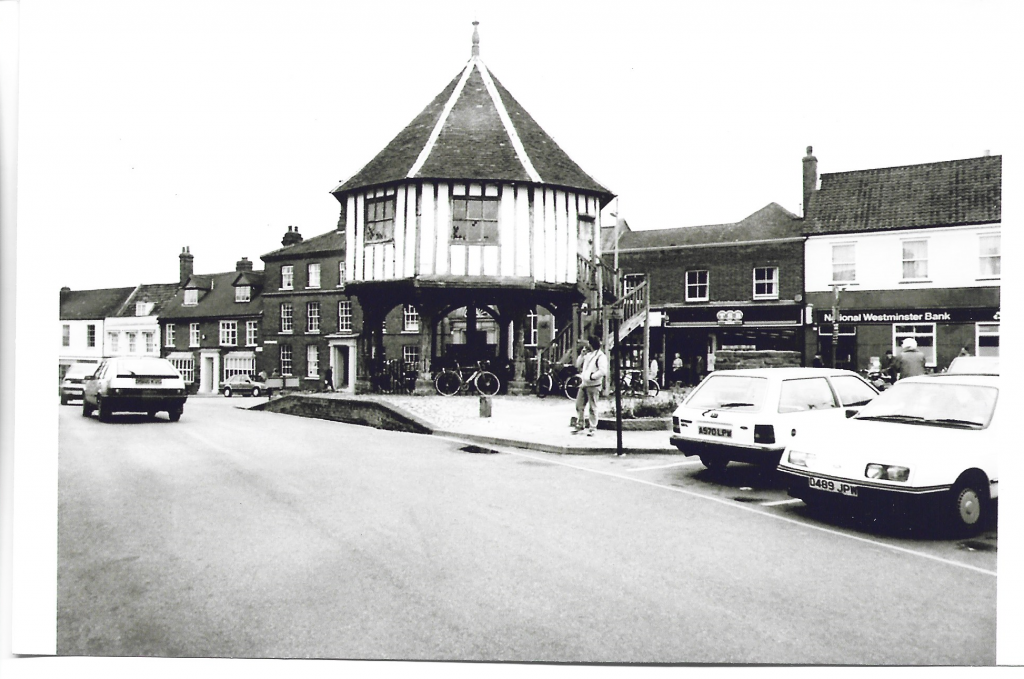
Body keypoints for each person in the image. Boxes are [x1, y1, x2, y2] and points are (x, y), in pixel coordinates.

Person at [573, 336, 608, 439]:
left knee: (593, 407)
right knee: (579, 405)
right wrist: (582, 355)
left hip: (594, 384)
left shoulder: (601, 356)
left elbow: (603, 371)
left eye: (589, 343)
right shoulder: (588, 354)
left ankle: (592, 427)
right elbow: (577, 364)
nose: (587, 345)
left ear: (592, 344)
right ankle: (580, 424)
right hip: (584, 383)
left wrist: (592, 377)